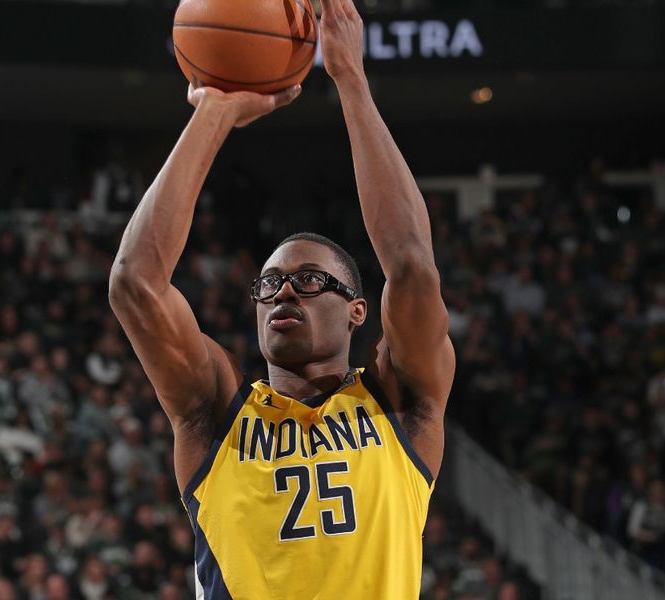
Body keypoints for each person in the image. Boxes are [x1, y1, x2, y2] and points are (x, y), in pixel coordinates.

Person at [108, 0, 455, 597]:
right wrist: (214, 111)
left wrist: (352, 83)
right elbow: (135, 283)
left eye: (311, 279)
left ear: (357, 311)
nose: (284, 289)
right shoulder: (213, 412)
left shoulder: (402, 405)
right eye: (267, 283)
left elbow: (413, 267)